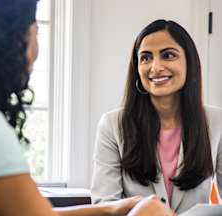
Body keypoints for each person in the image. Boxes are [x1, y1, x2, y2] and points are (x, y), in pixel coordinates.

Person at [0, 0, 174, 215]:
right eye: (35, 32)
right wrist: (142, 212)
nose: (37, 50)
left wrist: (110, 210)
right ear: (7, 40)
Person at [91, 19, 222, 214]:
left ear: (190, 62)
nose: (155, 67)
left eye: (168, 55)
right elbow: (105, 206)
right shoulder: (112, 125)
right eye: (145, 58)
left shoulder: (217, 121)